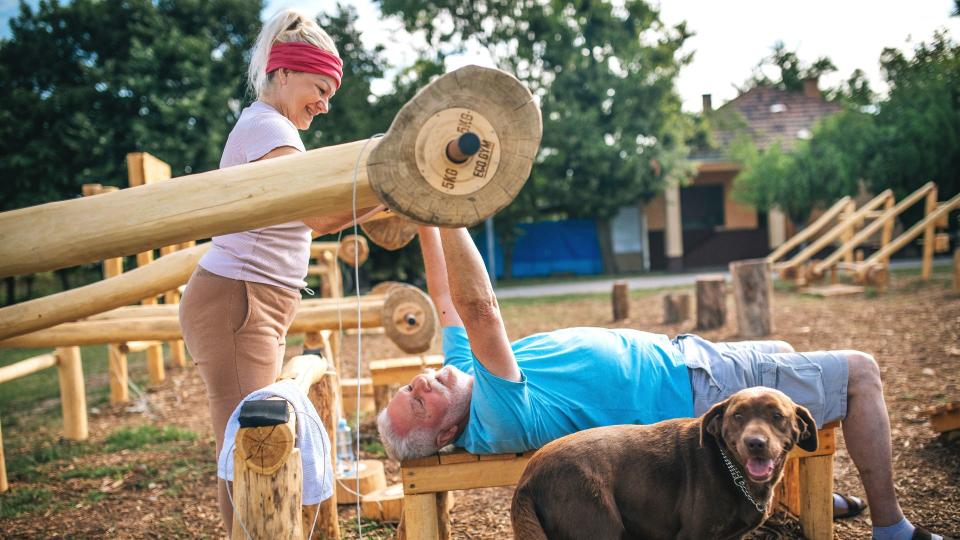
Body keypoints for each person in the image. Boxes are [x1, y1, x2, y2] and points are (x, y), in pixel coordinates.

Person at [377, 226, 950, 540]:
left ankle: (788, 493)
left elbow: (447, 296)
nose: (421, 383)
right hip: (696, 391)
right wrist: (451, 207)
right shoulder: (495, 413)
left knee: (784, 353)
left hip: (687, 358)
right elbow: (478, 307)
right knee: (859, 372)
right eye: (418, 403)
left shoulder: (467, 376)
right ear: (447, 430)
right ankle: (891, 527)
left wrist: (426, 213)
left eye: (410, 387)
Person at [178, 9, 382, 534]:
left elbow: (305, 218)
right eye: (320, 87)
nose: (325, 103)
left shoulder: (272, 128)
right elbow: (315, 215)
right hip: (237, 301)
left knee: (248, 444)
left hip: (248, 300)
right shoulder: (271, 130)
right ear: (284, 73)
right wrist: (386, 195)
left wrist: (380, 200)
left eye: (331, 92)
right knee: (252, 446)